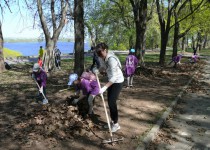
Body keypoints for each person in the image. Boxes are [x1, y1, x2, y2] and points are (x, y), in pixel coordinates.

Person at [95, 42, 124, 132]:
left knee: (112, 102)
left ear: (105, 50)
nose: (99, 55)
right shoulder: (103, 58)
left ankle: (116, 124)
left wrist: (104, 88)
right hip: (111, 81)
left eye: (100, 53)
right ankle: (112, 122)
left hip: (117, 82)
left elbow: (114, 77)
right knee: (110, 102)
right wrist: (98, 70)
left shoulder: (111, 59)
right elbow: (103, 67)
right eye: (98, 54)